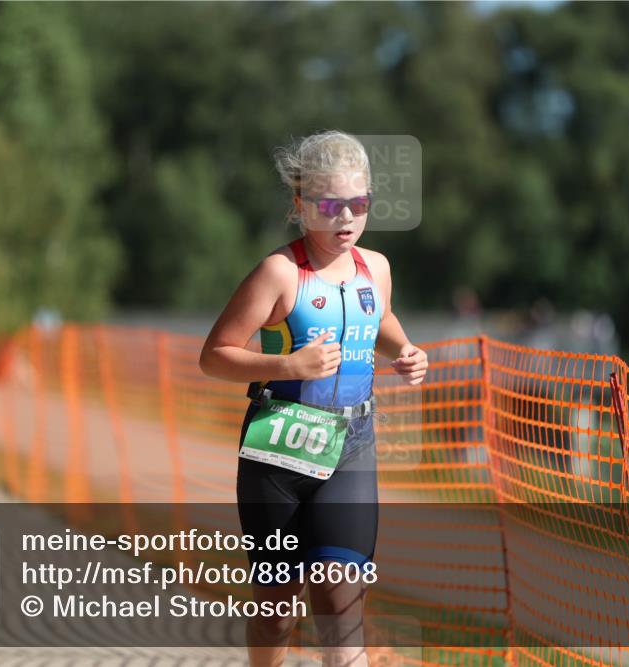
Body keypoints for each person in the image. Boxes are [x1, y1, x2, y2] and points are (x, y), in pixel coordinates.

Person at [199, 130, 427, 667]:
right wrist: (286, 366)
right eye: (330, 205)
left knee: (340, 597)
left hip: (351, 445)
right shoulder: (280, 273)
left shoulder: (377, 268)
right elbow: (214, 355)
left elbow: (382, 318)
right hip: (278, 451)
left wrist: (406, 349)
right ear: (301, 206)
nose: (346, 217)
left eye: (359, 204)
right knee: (278, 607)